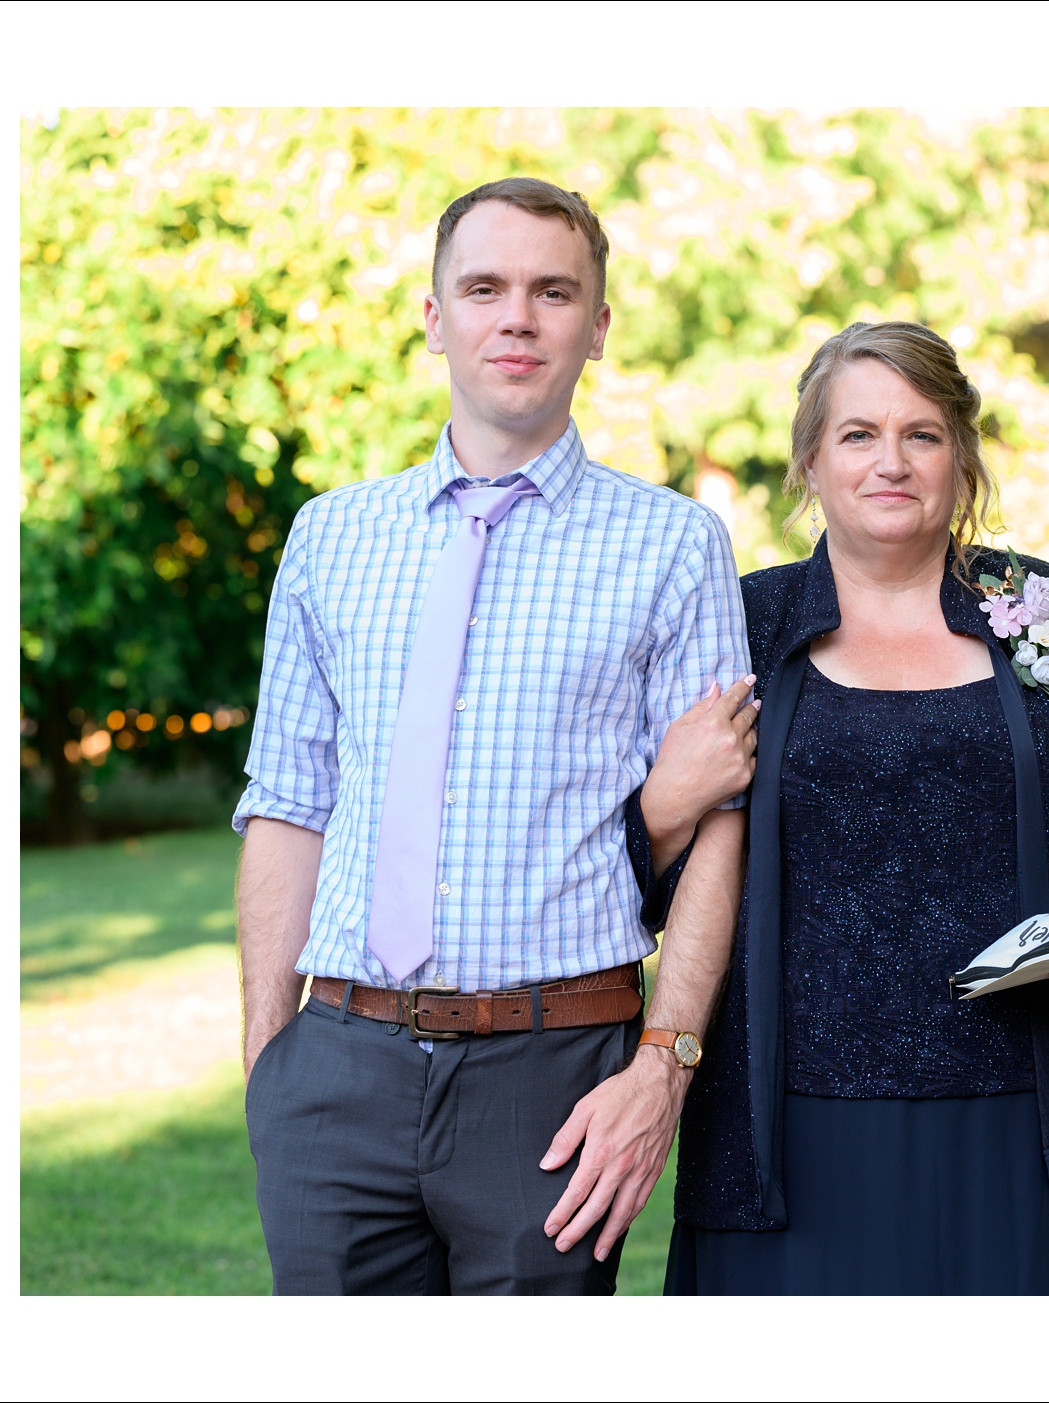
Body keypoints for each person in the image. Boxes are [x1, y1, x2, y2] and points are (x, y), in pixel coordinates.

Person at [233, 177, 757, 1295]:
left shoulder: (672, 545)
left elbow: (720, 824)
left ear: (597, 327)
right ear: (434, 318)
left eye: (552, 290)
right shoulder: (330, 537)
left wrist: (662, 1068)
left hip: (554, 1072)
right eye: (483, 287)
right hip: (335, 1069)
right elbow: (286, 804)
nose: (516, 316)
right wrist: (267, 1066)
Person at [650, 321, 1049, 1294]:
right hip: (781, 1127)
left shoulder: (1045, 609)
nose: (891, 461)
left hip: (1016, 1118)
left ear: (961, 455)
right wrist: (662, 797)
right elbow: (646, 857)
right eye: (857, 434)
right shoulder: (740, 622)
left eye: (921, 433)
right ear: (810, 461)